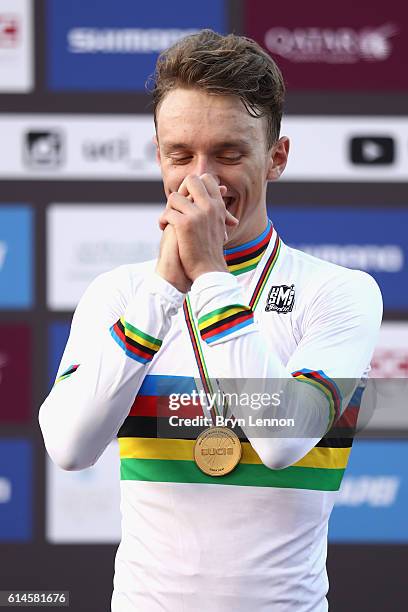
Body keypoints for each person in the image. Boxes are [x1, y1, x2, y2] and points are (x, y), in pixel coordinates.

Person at [39, 29, 383, 611]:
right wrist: (165, 290)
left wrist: (209, 276)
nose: (202, 180)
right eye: (180, 155)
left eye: (228, 154)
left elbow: (283, 439)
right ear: (158, 157)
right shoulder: (120, 292)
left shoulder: (341, 291)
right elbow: (70, 447)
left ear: (277, 157)